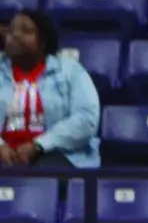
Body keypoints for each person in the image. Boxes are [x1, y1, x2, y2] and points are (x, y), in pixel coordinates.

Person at [0, 9, 100, 168]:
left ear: (43, 41)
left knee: (48, 170)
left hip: (58, 154)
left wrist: (39, 145)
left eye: (26, 31)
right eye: (11, 31)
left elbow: (86, 118)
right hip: (5, 156)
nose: (16, 35)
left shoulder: (70, 71)